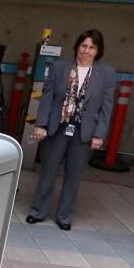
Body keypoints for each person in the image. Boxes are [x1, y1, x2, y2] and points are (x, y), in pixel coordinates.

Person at [25, 30, 116, 231]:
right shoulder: (59, 67)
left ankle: (64, 216)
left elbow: (106, 107)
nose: (87, 51)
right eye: (84, 46)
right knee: (47, 172)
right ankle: (37, 211)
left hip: (83, 131)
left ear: (98, 51)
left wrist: (99, 134)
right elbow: (47, 97)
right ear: (77, 46)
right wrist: (41, 124)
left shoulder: (107, 74)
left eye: (92, 47)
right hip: (57, 127)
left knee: (73, 177)